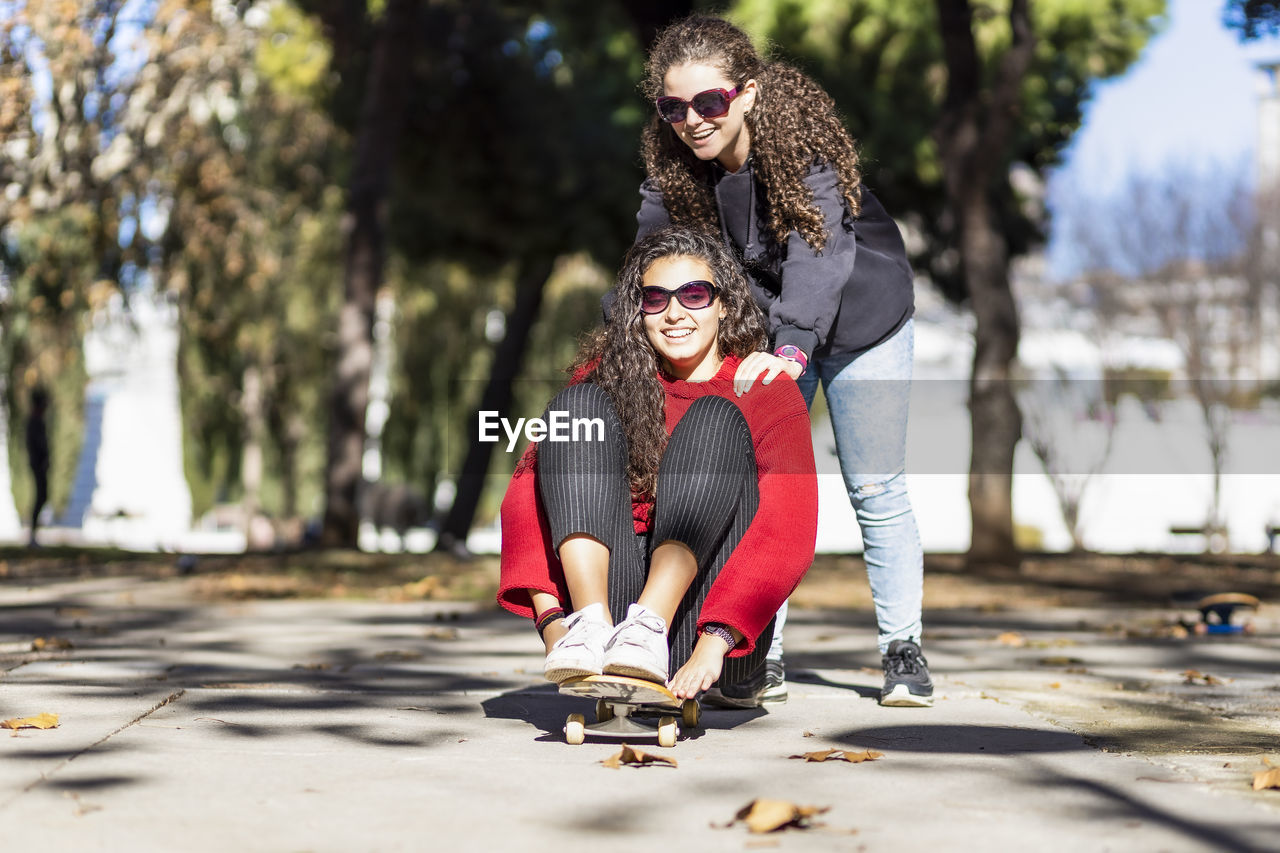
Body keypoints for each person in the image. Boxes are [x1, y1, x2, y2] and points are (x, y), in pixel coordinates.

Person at [631, 14, 932, 707]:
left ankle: (903, 651)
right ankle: (757, 654)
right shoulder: (675, 172)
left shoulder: (799, 150)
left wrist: (791, 347)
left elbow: (819, 256)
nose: (694, 121)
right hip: (770, 335)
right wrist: (627, 338)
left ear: (748, 93)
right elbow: (649, 264)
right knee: (764, 488)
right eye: (673, 108)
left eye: (710, 103)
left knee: (876, 487)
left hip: (863, 323)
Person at [497, 226, 817, 701]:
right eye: (655, 299)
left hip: (711, 632)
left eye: (694, 295)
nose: (674, 313)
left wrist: (716, 644)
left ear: (724, 304)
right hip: (610, 615)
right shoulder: (610, 377)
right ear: (637, 311)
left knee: (716, 417)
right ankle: (591, 624)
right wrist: (552, 623)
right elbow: (527, 496)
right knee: (576, 407)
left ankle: (651, 630)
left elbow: (787, 529)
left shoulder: (765, 388)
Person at [26, 385, 50, 547]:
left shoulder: (38, 421)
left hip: (40, 463)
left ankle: (34, 534)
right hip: (38, 464)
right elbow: (37, 444)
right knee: (40, 496)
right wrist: (42, 460)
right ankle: (32, 535)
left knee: (43, 496)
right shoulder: (34, 421)